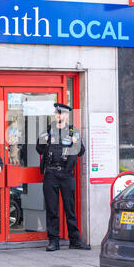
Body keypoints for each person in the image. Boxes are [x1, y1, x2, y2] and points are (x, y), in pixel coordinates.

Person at [36, 103, 90, 251]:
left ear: (67, 116)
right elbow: (38, 150)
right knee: (52, 209)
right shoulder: (47, 130)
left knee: (70, 208)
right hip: (51, 174)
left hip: (67, 175)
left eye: (61, 114)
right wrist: (45, 141)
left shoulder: (73, 131)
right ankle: (54, 241)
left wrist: (76, 143)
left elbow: (81, 152)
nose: (58, 116)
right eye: (57, 113)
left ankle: (75, 240)